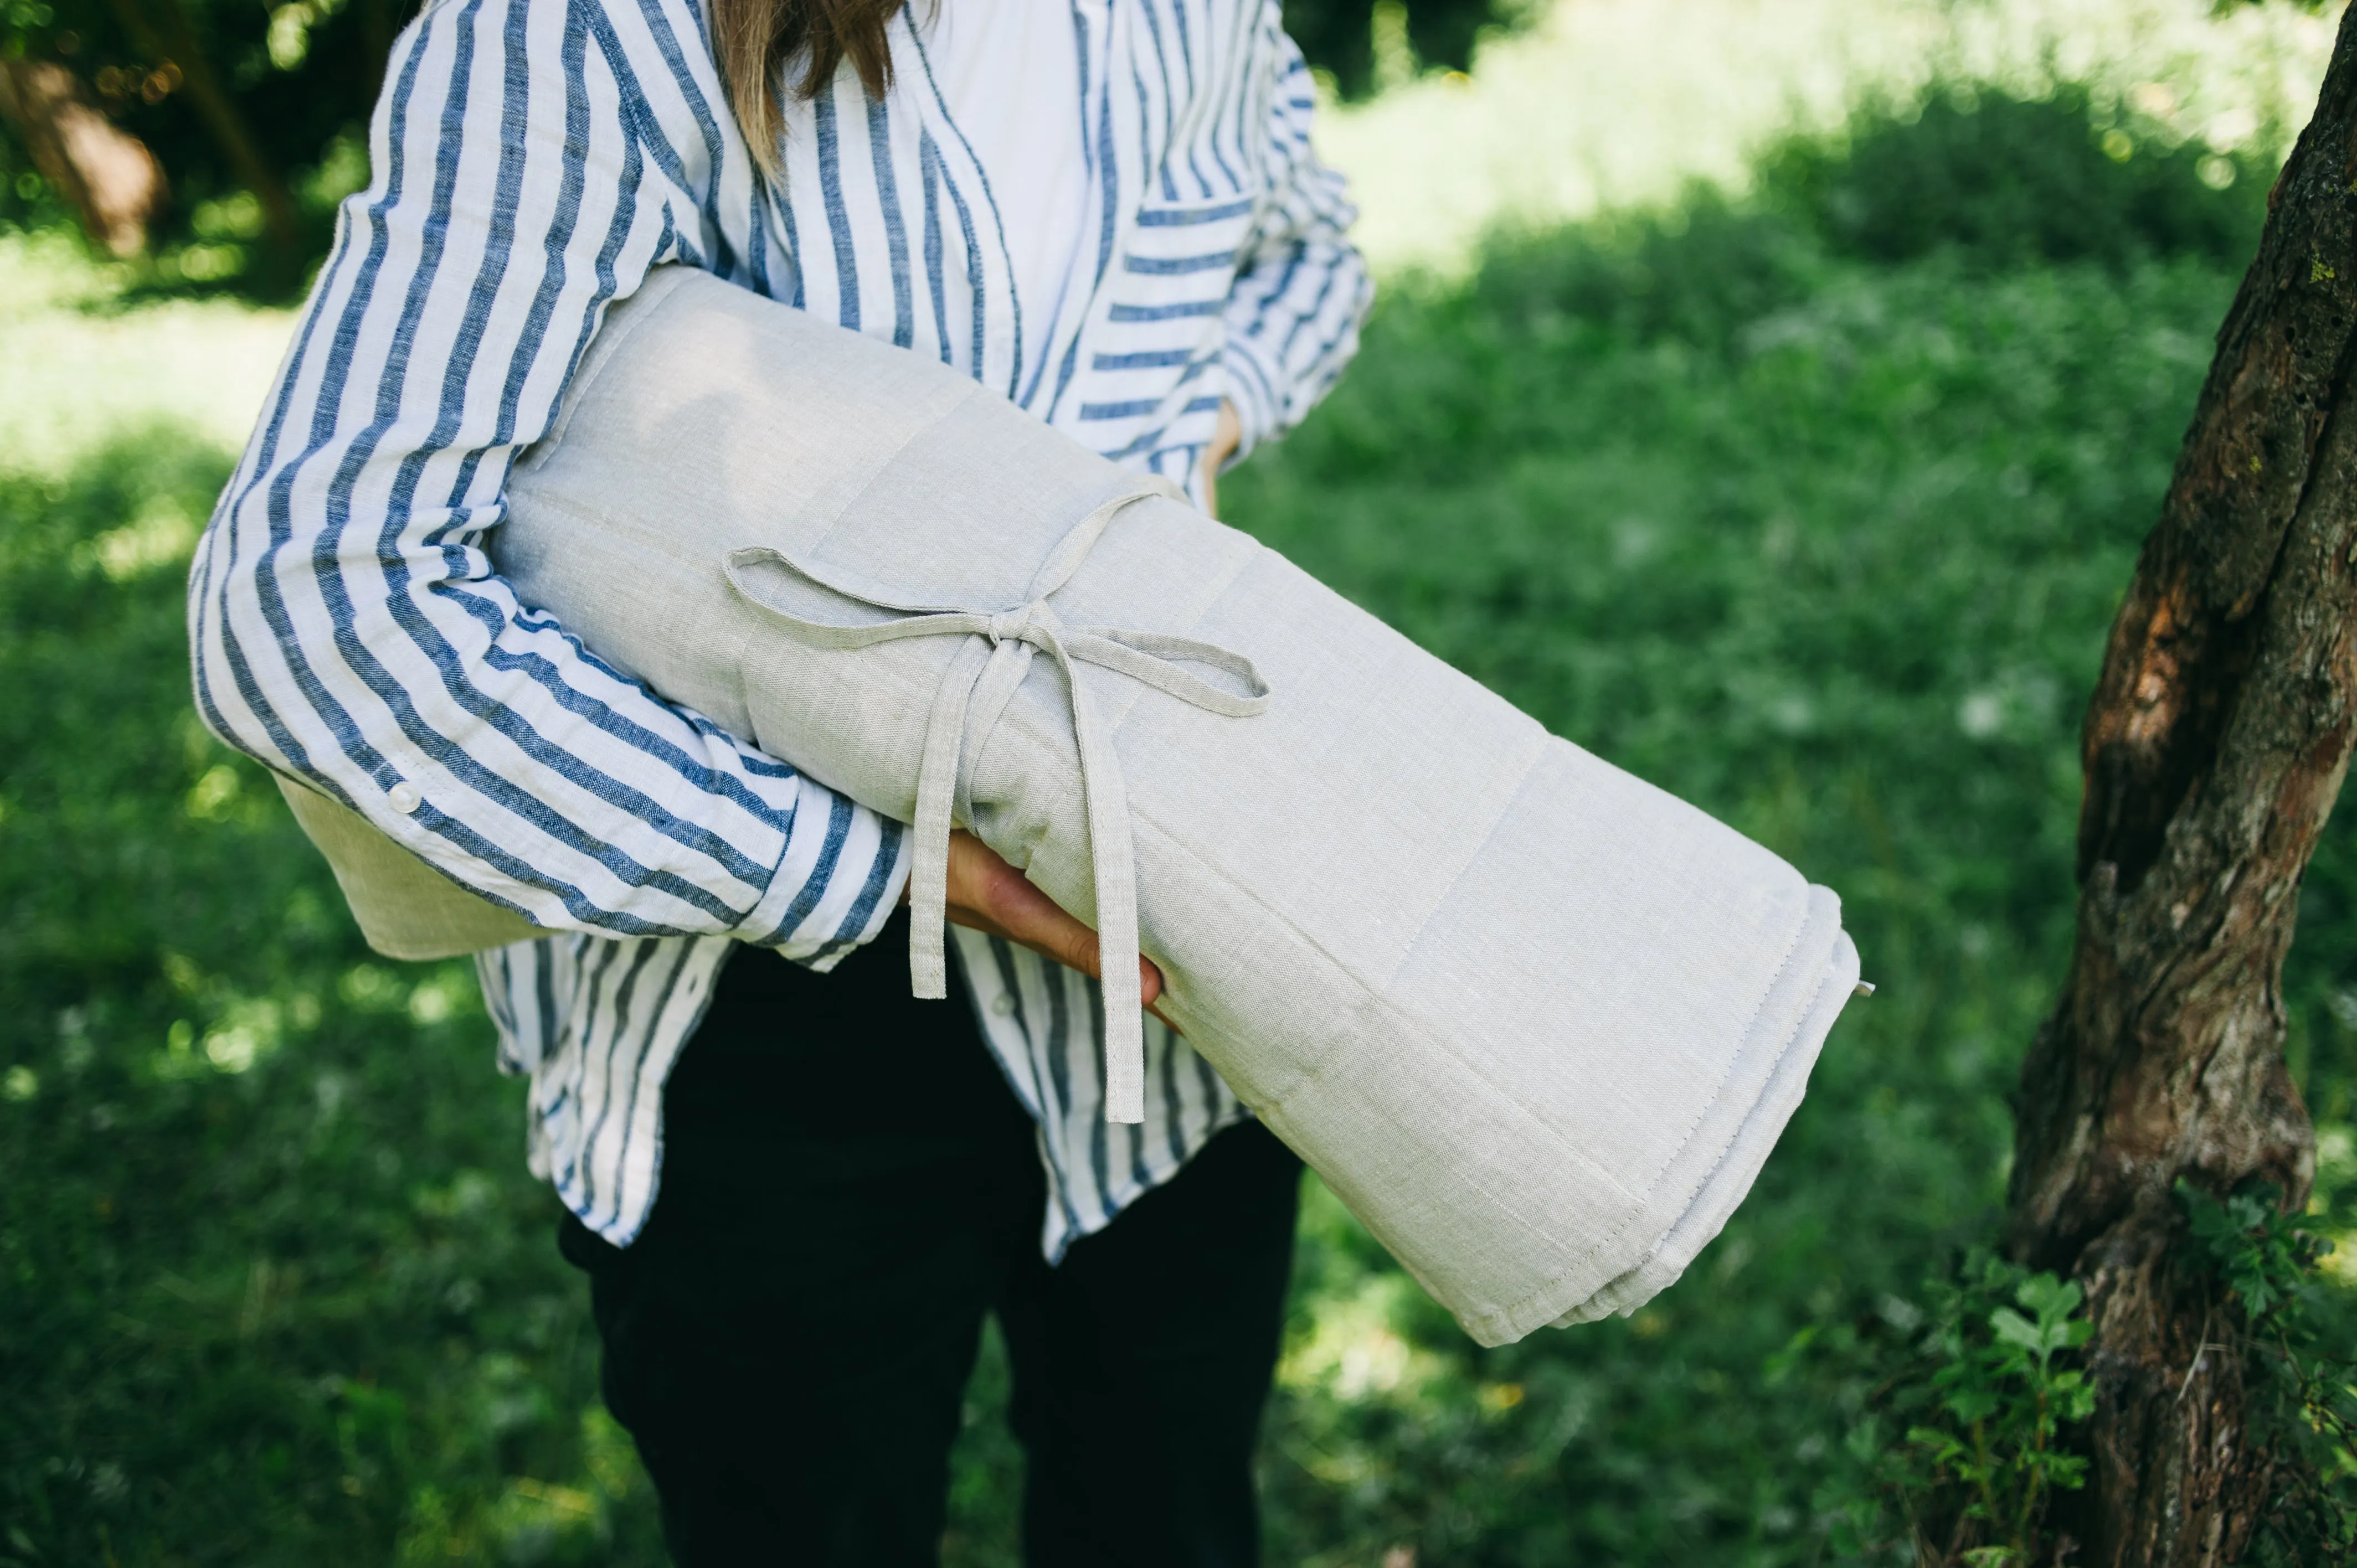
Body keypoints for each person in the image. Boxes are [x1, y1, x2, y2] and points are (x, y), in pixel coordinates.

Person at [187, 0, 1368, 1557]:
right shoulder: (597, 31)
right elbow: (318, 609)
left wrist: (1185, 425)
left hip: (1174, 952)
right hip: (771, 1034)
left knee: (1169, 1501)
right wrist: (872, 873)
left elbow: (1306, 251)